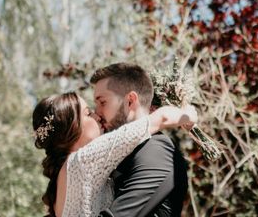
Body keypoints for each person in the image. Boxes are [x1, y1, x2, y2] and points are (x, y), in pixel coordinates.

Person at [32, 91, 196, 217]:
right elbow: (161, 119)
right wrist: (188, 113)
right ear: (72, 128)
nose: (97, 116)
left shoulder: (65, 175)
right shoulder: (84, 159)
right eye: (88, 113)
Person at [91, 63, 189, 217]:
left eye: (102, 102)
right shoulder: (126, 150)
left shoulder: (157, 151)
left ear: (130, 100)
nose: (97, 113)